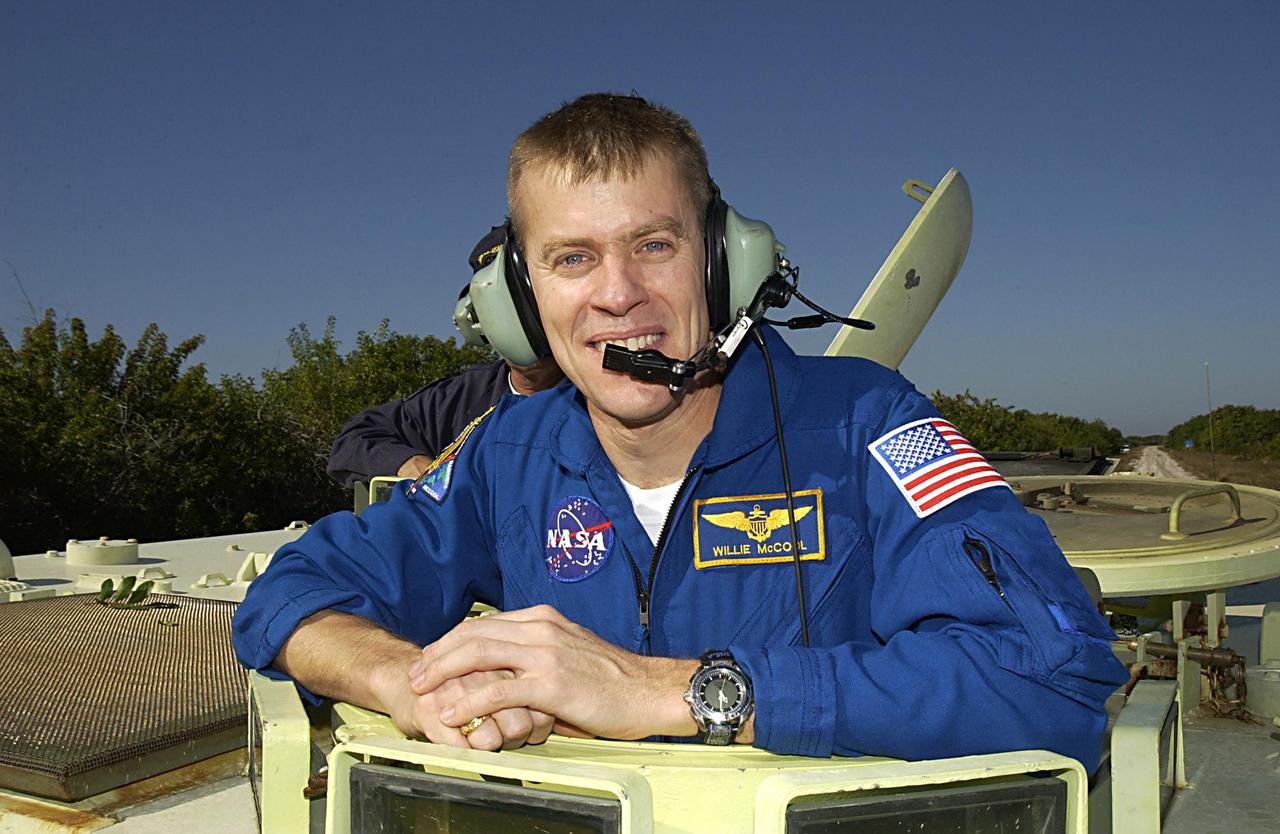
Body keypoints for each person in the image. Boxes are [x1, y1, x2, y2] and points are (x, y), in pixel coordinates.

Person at [233, 93, 1126, 769]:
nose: (617, 293)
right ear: (519, 302)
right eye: (572, 258)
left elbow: (1055, 678)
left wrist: (671, 691)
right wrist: (403, 679)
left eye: (654, 245)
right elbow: (289, 594)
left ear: (725, 263)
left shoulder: (869, 423)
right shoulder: (508, 452)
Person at [326, 227, 565, 487]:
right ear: (475, 317)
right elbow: (353, 440)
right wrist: (412, 464)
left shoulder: (601, 394)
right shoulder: (457, 401)